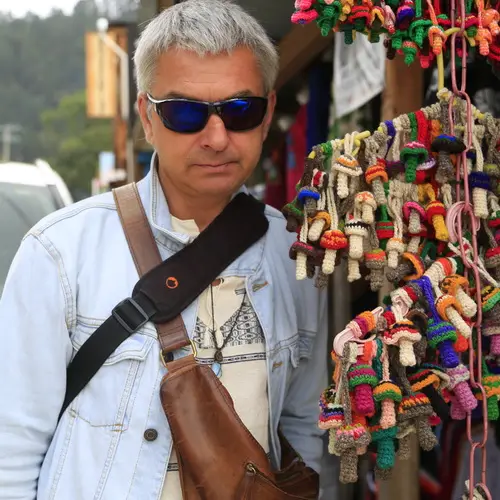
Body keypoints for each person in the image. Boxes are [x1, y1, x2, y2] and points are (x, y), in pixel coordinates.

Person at [0, 1, 328, 498]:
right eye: (185, 113)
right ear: (147, 119)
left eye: (241, 111)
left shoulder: (296, 256)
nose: (216, 137)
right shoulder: (61, 253)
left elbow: (306, 432)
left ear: (266, 116)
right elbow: (12, 448)